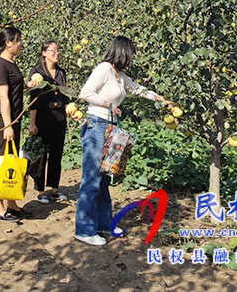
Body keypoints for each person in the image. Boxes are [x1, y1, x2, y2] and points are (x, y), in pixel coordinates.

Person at [75, 36, 177, 246]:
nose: (131, 58)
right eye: (129, 54)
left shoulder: (119, 75)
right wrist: (108, 105)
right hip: (96, 127)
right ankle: (84, 230)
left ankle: (103, 224)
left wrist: (163, 101)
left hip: (111, 129)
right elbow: (85, 92)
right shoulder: (104, 68)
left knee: (104, 181)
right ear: (121, 52)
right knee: (91, 180)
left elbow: (138, 89)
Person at [0, 27, 39, 222]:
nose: (21, 44)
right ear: (8, 43)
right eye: (18, 40)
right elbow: (3, 99)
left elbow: (14, 89)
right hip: (3, 120)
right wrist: (7, 126)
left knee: (11, 159)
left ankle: (11, 204)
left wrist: (27, 86)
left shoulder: (11, 63)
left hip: (14, 118)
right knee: (2, 162)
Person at [28, 40, 69, 204]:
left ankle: (55, 189)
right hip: (42, 117)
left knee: (56, 154)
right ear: (44, 53)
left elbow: (65, 95)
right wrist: (32, 123)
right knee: (40, 155)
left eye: (58, 50)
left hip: (59, 117)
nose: (56, 53)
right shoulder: (37, 72)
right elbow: (33, 99)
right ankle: (40, 191)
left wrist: (70, 109)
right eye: (53, 50)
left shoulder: (61, 73)